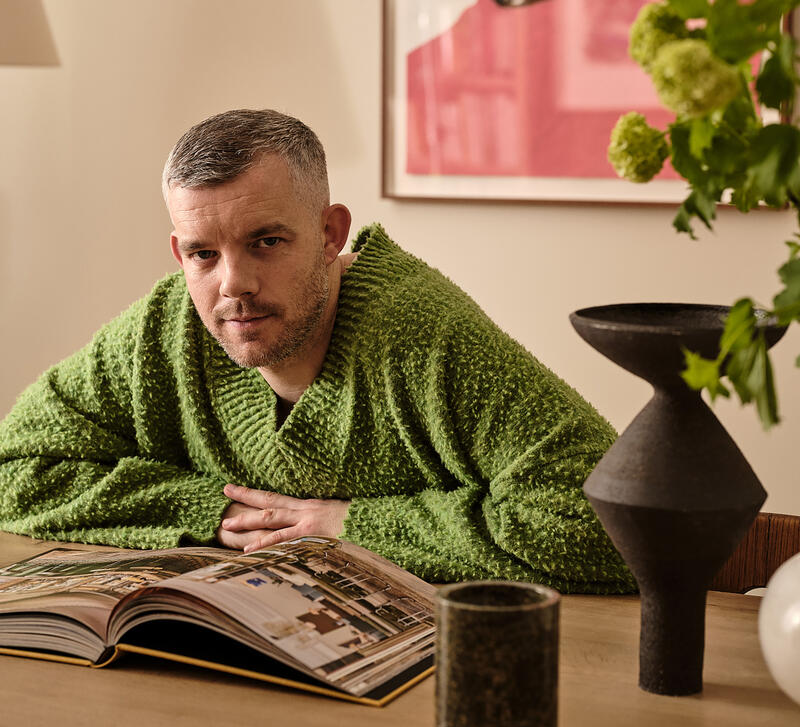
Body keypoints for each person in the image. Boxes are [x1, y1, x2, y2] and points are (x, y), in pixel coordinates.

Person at [0, 109, 634, 593]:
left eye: (267, 242)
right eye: (203, 254)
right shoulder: (160, 330)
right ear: (179, 253)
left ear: (331, 232)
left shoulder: (424, 334)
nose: (233, 284)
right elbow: (16, 469)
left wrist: (348, 525)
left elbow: (607, 521)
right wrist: (211, 512)